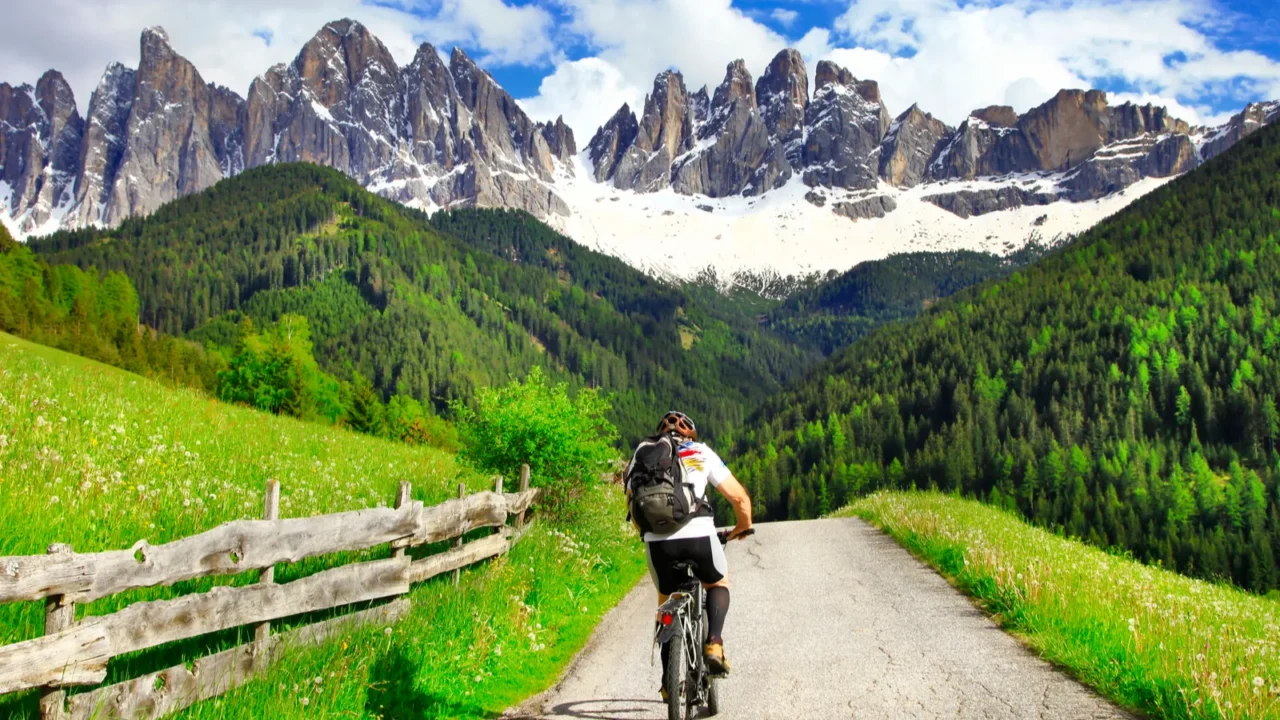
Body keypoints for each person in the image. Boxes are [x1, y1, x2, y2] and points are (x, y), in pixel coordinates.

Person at [628, 410, 753, 680]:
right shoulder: (700, 452)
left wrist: (650, 534)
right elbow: (740, 499)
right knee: (718, 583)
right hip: (699, 535)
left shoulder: (641, 454)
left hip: (657, 544)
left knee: (666, 604)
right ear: (690, 434)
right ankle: (715, 645)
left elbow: (632, 504)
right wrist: (742, 527)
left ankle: (666, 680)